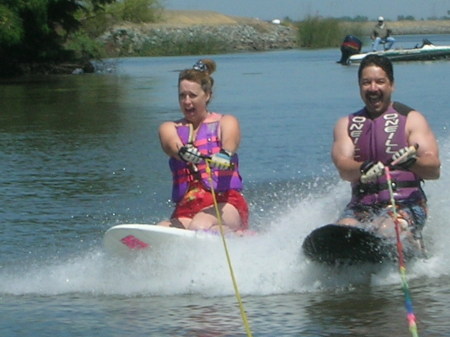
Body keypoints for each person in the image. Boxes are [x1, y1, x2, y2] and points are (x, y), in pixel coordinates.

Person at [331, 54, 440, 250]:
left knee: (386, 230)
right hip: (360, 208)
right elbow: (343, 168)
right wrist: (362, 167)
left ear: (392, 85)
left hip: (405, 205)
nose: (373, 88)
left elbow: (433, 170)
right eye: (367, 83)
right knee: (344, 232)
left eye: (380, 82)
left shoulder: (412, 120)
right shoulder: (346, 125)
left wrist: (412, 162)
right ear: (360, 87)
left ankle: (412, 244)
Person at [157, 58, 249, 234]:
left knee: (199, 226)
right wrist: (183, 152)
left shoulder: (225, 121)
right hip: (188, 206)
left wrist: (224, 154)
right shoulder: (170, 128)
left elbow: (231, 140)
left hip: (225, 203)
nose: (186, 101)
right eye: (182, 96)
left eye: (192, 95)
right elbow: (170, 144)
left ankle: (236, 237)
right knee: (161, 229)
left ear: (207, 95)